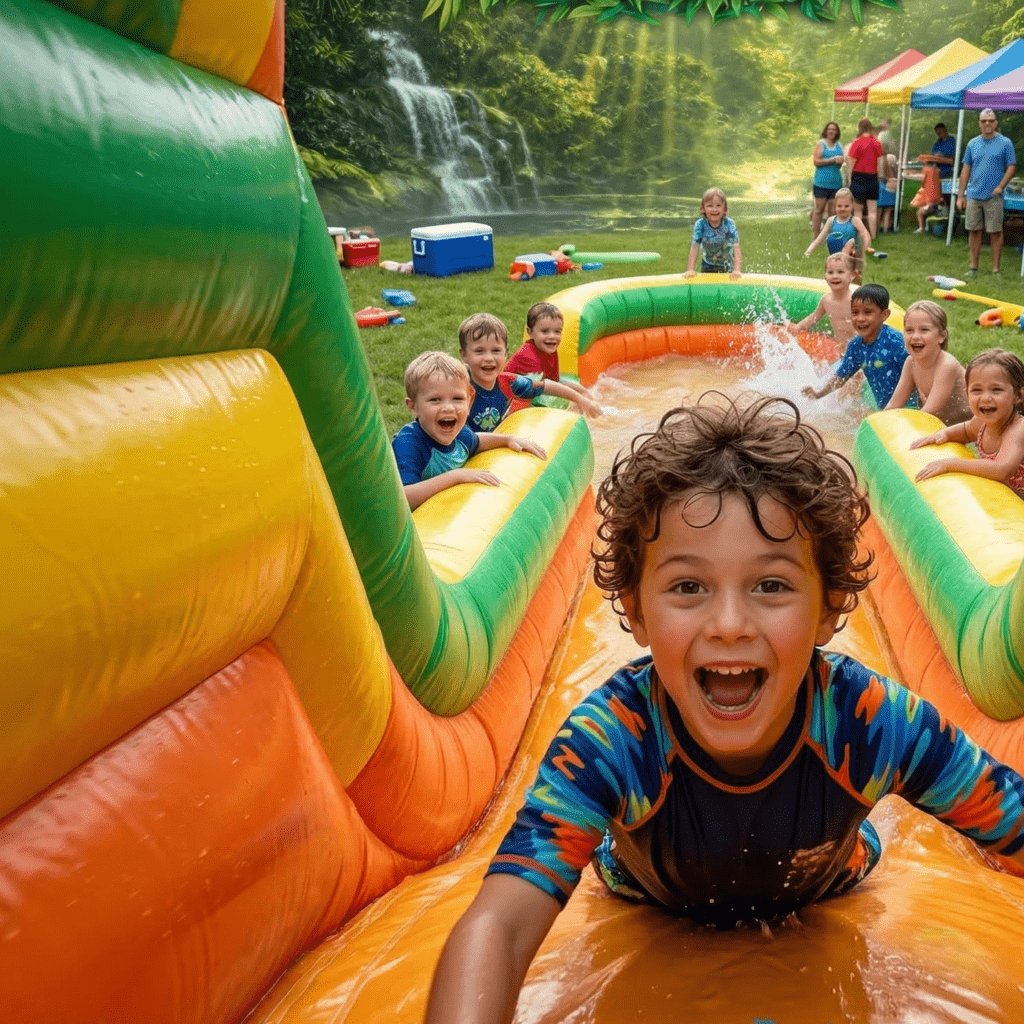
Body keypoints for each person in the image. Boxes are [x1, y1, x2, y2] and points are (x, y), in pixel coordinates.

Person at [424, 392, 1024, 1024]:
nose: (730, 625)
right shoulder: (616, 738)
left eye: (771, 585)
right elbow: (501, 924)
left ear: (827, 608)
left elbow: (1012, 820)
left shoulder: (868, 721)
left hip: (828, 879)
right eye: (688, 587)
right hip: (648, 895)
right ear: (635, 610)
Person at [391, 351, 546, 511]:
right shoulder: (408, 443)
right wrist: (456, 476)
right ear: (413, 407)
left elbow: (476, 441)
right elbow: (404, 498)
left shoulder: (459, 433)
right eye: (435, 399)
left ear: (470, 401)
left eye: (457, 399)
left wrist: (507, 439)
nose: (448, 408)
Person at [911, 348, 1024, 496]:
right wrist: (944, 434)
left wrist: (950, 464)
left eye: (996, 390)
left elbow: (1001, 469)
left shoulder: (1018, 429)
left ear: (1018, 395)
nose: (985, 398)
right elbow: (965, 430)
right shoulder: (980, 423)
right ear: (967, 394)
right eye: (977, 390)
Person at [459, 313, 600, 431]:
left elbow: (546, 385)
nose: (489, 358)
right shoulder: (459, 386)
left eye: (496, 351)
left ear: (505, 355)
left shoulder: (508, 382)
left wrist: (582, 400)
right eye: (479, 351)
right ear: (464, 355)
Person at [801, 283, 904, 408]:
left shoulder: (895, 342)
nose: (860, 318)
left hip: (908, 408)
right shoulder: (856, 346)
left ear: (884, 315)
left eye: (867, 312)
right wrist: (818, 394)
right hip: (885, 410)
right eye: (855, 313)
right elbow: (841, 377)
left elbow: (917, 369)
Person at [503, 303, 600, 418]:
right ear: (530, 332)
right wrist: (582, 401)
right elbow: (544, 387)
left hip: (528, 395)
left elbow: (555, 380)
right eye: (545, 331)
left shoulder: (550, 352)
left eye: (557, 331)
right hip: (506, 404)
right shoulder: (528, 356)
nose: (552, 337)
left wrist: (585, 393)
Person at [883, 300, 969, 425]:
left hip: (973, 425)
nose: (915, 336)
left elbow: (930, 411)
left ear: (941, 336)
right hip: (948, 425)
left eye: (924, 330)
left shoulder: (946, 365)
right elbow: (893, 406)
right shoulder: (910, 364)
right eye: (909, 330)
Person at [957, 109, 1017, 276]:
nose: (987, 124)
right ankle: (973, 267)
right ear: (979, 124)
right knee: (974, 230)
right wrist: (961, 195)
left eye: (991, 120)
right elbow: (966, 169)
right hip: (974, 194)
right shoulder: (972, 144)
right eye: (984, 121)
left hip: (994, 196)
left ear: (996, 123)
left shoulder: (1005, 143)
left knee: (995, 232)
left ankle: (995, 270)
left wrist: (1001, 186)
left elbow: (1012, 166)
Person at [786, 253, 856, 348]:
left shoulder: (854, 301)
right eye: (830, 272)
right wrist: (797, 328)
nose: (835, 276)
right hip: (842, 348)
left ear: (851, 276)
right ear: (825, 276)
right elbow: (814, 317)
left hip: (859, 348)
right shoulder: (826, 300)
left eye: (840, 272)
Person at [804, 188, 871, 280]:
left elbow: (865, 234)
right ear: (834, 207)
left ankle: (855, 292)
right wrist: (810, 249)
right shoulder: (831, 221)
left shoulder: (855, 221)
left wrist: (867, 246)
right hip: (835, 260)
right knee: (836, 279)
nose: (843, 208)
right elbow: (821, 237)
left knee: (854, 279)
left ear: (852, 206)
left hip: (853, 259)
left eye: (846, 206)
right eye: (839, 206)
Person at [683, 187, 742, 278]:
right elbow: (695, 246)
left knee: (726, 289)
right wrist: (690, 269)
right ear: (703, 209)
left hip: (727, 265)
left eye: (718, 205)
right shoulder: (700, 225)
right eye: (710, 206)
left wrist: (736, 270)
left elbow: (736, 247)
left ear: (725, 208)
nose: (714, 209)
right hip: (708, 265)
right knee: (708, 290)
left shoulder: (729, 224)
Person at [845, 118, 884, 239]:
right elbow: (880, 161)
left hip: (858, 176)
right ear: (870, 127)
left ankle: (859, 236)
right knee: (872, 210)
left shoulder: (857, 142)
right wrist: (880, 175)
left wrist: (849, 178)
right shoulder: (876, 142)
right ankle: (872, 236)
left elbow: (851, 162)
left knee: (858, 210)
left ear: (859, 128)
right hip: (873, 177)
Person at [811, 122, 845, 239]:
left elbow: (840, 164)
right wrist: (832, 160)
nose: (832, 132)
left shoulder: (839, 146)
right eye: (830, 129)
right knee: (819, 210)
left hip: (835, 183)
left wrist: (839, 162)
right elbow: (816, 162)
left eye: (834, 130)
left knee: (833, 213)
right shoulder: (821, 144)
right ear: (826, 131)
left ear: (837, 132)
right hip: (821, 183)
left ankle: (831, 237)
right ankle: (816, 237)